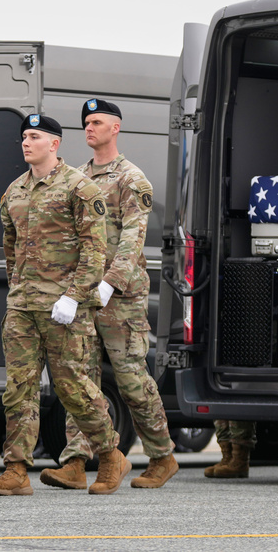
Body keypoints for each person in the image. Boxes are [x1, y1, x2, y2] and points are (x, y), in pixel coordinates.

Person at [41, 99, 178, 491]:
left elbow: (134, 240)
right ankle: (76, 460)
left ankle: (162, 455)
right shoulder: (77, 177)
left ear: (115, 128)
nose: (89, 127)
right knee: (81, 378)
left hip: (121, 297)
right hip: (84, 293)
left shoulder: (131, 179)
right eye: (85, 122)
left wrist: (109, 283)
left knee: (132, 377)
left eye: (97, 121)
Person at [0, 113, 130, 496]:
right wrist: (18, 288)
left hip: (65, 308)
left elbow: (94, 250)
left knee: (73, 388)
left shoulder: (80, 188)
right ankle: (16, 468)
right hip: (23, 306)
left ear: (54, 144)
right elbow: (11, 247)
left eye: (34, 136)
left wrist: (72, 296)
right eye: (23, 136)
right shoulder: (14, 191)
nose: (26, 142)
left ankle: (109, 454)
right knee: (18, 388)